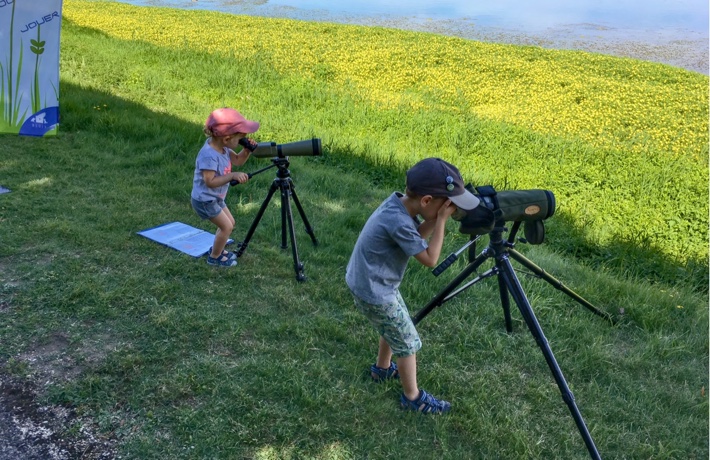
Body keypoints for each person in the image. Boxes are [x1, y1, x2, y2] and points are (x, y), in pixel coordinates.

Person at [345, 157, 480, 414]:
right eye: (445, 205)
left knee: (392, 326)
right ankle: (412, 397)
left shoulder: (399, 205)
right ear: (427, 201)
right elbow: (429, 259)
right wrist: (440, 221)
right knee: (407, 341)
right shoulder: (396, 220)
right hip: (375, 290)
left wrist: (437, 215)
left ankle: (382, 369)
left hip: (371, 283)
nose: (450, 210)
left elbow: (415, 237)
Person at [191, 108, 259, 267]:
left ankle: (218, 248)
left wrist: (246, 150)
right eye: (240, 138)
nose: (243, 139)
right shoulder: (209, 155)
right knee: (226, 227)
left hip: (215, 197)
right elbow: (210, 182)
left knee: (230, 223)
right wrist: (232, 176)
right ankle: (214, 256)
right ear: (227, 138)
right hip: (205, 200)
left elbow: (237, 161)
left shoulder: (223, 147)